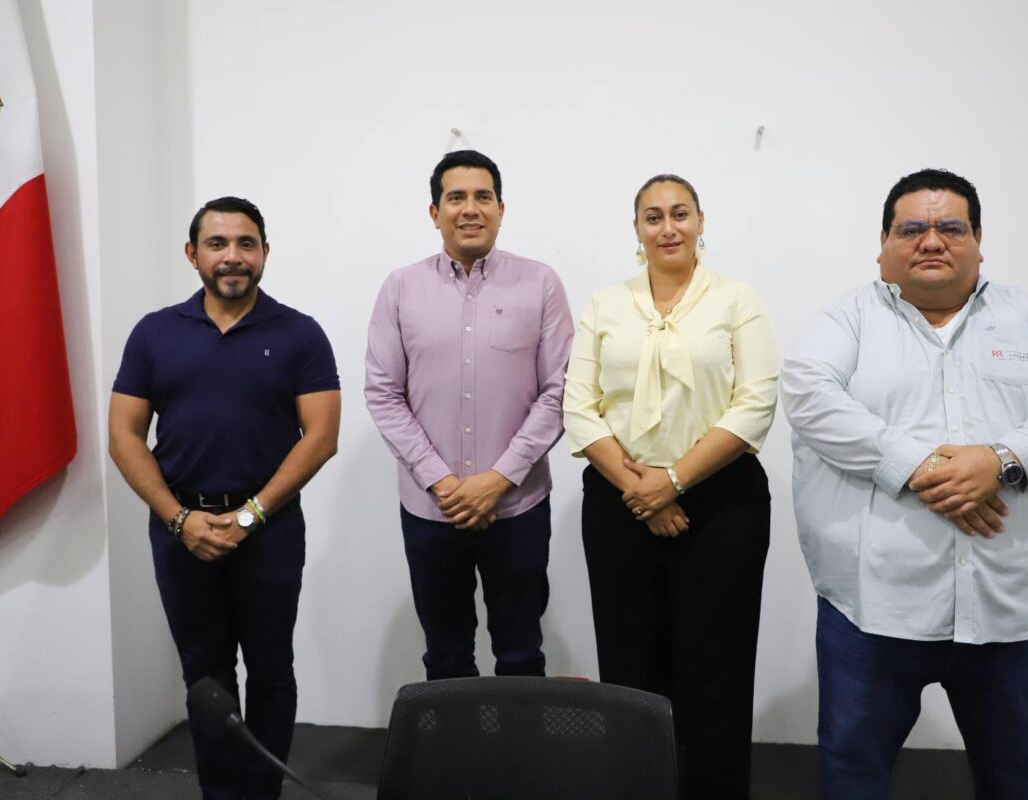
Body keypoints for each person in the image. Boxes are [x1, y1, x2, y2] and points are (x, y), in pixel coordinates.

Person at [782, 168, 1028, 800]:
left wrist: (1003, 460)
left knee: (1014, 774)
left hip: (1006, 604)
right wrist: (923, 467)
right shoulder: (847, 319)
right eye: (912, 228)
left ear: (978, 242)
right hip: (873, 608)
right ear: (883, 245)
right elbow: (809, 398)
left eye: (951, 228)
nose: (931, 240)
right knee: (853, 773)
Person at [108, 197, 341, 800]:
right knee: (205, 675)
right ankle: (222, 794)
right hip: (180, 529)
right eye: (217, 244)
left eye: (245, 243)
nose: (232, 256)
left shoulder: (300, 333)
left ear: (265, 252)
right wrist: (178, 518)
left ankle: (261, 793)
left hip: (270, 529)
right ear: (193, 254)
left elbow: (321, 436)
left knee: (270, 669)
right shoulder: (155, 332)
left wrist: (250, 515)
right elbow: (124, 436)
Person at [563, 174, 778, 800]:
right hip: (620, 499)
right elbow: (579, 406)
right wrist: (642, 489)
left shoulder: (737, 299)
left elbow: (756, 403)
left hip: (722, 502)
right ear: (636, 229)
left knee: (717, 669)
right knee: (630, 668)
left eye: (680, 214)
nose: (667, 227)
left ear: (701, 221)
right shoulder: (606, 304)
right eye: (652, 217)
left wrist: (674, 480)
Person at [364, 150, 573, 680]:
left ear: (501, 209)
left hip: (518, 506)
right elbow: (383, 393)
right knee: (446, 657)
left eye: (483, 196)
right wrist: (443, 482)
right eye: (455, 197)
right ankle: (455, 743)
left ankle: (517, 742)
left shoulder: (541, 284)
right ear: (434, 212)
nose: (470, 208)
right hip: (432, 510)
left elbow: (560, 392)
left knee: (521, 653)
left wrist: (498, 480)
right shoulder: (400, 288)